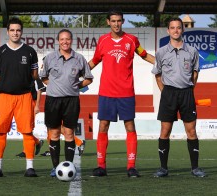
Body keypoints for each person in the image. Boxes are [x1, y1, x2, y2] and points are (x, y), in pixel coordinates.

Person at [88, 9, 155, 177]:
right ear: (108, 22)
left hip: (126, 93)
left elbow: (145, 55)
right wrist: (76, 72)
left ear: (123, 21)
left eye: (119, 21)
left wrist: (164, 63)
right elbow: (94, 61)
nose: (116, 24)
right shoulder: (103, 41)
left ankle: (131, 167)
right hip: (106, 92)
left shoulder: (131, 40)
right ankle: (101, 166)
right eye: (113, 21)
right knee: (103, 126)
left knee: (130, 126)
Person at [152, 18, 206, 178]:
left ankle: (195, 168)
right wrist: (166, 92)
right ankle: (163, 168)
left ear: (182, 30)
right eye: (172, 28)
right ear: (168, 31)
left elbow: (195, 74)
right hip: (168, 94)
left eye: (178, 28)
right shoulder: (161, 52)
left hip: (186, 93)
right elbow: (158, 75)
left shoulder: (192, 51)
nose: (175, 30)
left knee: (191, 131)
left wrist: (188, 90)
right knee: (165, 131)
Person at [0, 17, 39, 177]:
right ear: (8, 32)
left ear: (21, 32)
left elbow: (34, 74)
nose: (15, 33)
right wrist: (9, 84)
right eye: (12, 30)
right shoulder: (0, 52)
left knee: (27, 132)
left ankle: (30, 167)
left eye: (18, 30)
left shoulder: (30, 52)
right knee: (1, 132)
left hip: (24, 97)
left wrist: (21, 84)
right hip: (4, 97)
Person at [40, 29, 93, 177]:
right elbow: (43, 77)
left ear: (71, 40)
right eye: (62, 39)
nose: (65, 42)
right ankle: (55, 167)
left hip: (72, 100)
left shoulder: (79, 59)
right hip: (53, 100)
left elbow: (88, 78)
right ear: (58, 41)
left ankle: (69, 166)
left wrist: (77, 85)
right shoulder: (49, 58)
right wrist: (53, 86)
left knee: (69, 133)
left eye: (68, 39)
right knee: (54, 133)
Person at [16, 78, 46, 158]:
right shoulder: (22, 75)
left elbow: (40, 90)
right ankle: (37, 142)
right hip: (23, 102)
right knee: (23, 127)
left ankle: (26, 150)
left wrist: (37, 105)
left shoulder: (35, 77)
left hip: (32, 103)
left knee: (28, 127)